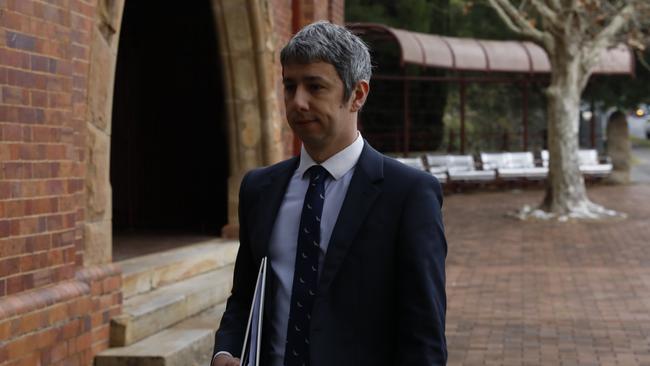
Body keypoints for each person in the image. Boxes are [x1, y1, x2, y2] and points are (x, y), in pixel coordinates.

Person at [212, 21, 447, 366]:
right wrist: (224, 351)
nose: (298, 102)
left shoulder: (409, 195)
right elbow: (245, 296)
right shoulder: (259, 189)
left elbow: (424, 335)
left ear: (358, 95)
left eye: (315, 87)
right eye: (290, 87)